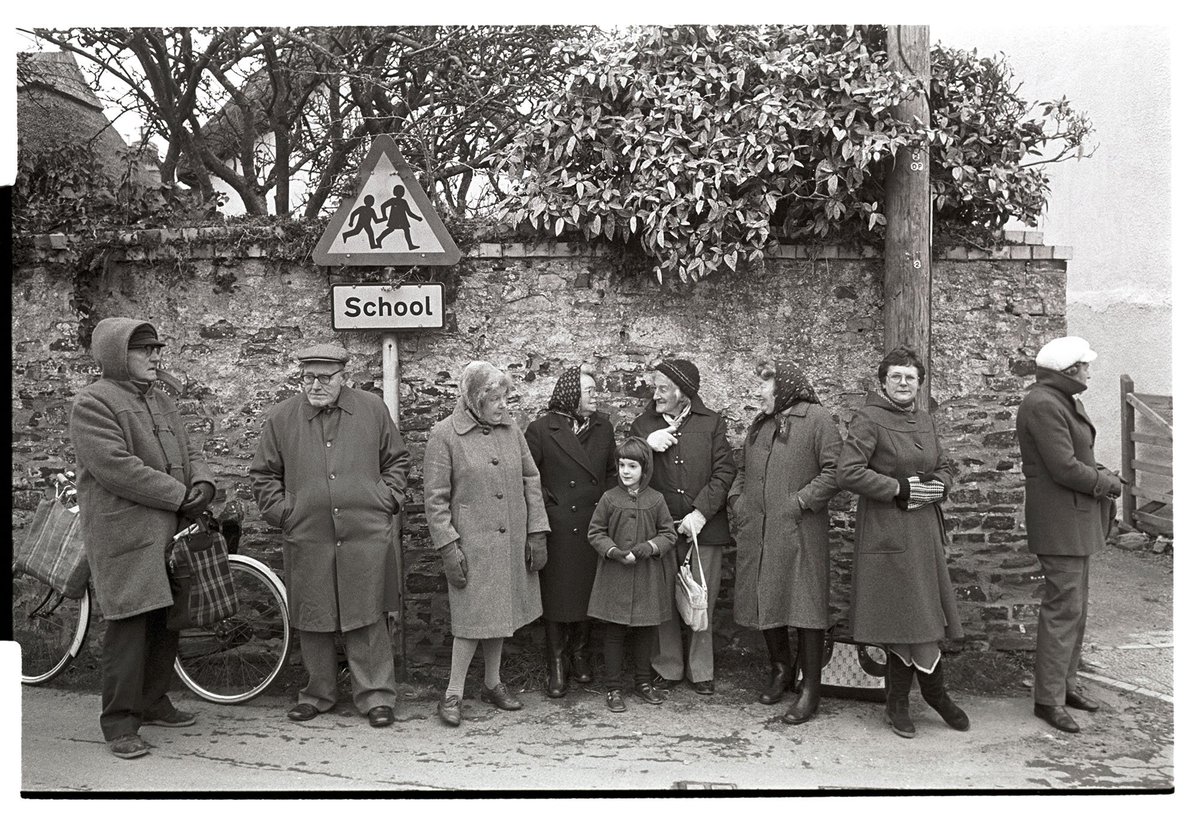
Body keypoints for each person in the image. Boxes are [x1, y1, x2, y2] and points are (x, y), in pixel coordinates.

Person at [70, 318, 217, 759]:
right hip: (125, 536)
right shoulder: (93, 403)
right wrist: (180, 496)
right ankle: (120, 724)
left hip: (168, 532)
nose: (155, 356)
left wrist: (203, 482)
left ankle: (153, 701)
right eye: (144, 349)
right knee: (130, 626)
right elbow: (117, 468)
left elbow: (191, 450)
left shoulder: (160, 398)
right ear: (117, 354)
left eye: (157, 349)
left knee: (166, 623)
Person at [250, 343, 409, 729]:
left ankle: (376, 696)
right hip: (308, 532)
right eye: (308, 377)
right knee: (313, 612)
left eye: (325, 377)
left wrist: (385, 498)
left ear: (343, 377)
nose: (315, 385)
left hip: (364, 531)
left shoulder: (372, 409)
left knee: (368, 611)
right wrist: (284, 513)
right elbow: (263, 474)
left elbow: (397, 460)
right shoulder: (282, 417)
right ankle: (317, 694)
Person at [836, 346, 969, 738]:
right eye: (895, 376)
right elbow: (848, 472)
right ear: (883, 382)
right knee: (906, 616)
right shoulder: (869, 419)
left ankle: (909, 698)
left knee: (918, 614)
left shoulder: (925, 420)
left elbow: (944, 466)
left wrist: (939, 486)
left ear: (920, 384)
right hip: (887, 531)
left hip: (923, 531)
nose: (903, 383)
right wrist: (898, 488)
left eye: (910, 377)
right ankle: (922, 696)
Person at [423, 361, 550, 726]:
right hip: (471, 546)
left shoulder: (511, 430)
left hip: (509, 541)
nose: (503, 405)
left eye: (505, 397)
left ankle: (492, 684)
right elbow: (435, 500)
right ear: (475, 400)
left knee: (500, 614)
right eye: (495, 399)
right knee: (470, 621)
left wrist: (536, 531)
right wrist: (448, 547)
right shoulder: (444, 435)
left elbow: (531, 479)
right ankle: (452, 694)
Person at [1016, 336, 1122, 734]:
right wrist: (1106, 483)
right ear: (1070, 370)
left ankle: (1066, 686)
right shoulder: (1043, 403)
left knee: (1075, 610)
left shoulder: (1061, 400)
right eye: (1086, 365)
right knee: (1063, 611)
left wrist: (1102, 474)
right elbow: (1063, 467)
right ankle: (1048, 699)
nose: (1090, 371)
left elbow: (1079, 457)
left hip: (1073, 522)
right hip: (1061, 524)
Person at [728, 360, 841, 724]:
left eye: (765, 386)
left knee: (807, 606)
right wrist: (738, 501)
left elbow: (835, 471)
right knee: (767, 595)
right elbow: (742, 470)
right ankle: (780, 670)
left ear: (784, 388)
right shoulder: (761, 424)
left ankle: (811, 689)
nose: (759, 392)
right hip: (759, 529)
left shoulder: (818, 420)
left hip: (800, 528)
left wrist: (799, 502)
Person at [631, 358, 735, 695]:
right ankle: (668, 667)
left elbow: (725, 472)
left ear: (683, 392)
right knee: (663, 600)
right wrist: (646, 446)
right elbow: (626, 471)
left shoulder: (711, 423)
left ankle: (701, 671)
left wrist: (701, 513)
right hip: (659, 530)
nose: (656, 395)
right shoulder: (643, 425)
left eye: (663, 389)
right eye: (655, 388)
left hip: (704, 530)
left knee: (702, 599)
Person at [525, 364, 617, 697]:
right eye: (589, 391)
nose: (595, 396)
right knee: (557, 598)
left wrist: (607, 507)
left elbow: (611, 473)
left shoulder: (603, 428)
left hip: (593, 525)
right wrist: (548, 504)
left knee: (587, 593)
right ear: (571, 395)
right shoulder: (541, 429)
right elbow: (527, 476)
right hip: (559, 526)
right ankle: (557, 663)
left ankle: (580, 654)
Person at [586, 437, 677, 712]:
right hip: (615, 576)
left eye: (632, 466)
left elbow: (669, 534)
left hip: (647, 576)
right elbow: (595, 532)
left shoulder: (656, 500)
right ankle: (613, 688)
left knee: (645, 632)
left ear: (645, 469)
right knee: (613, 633)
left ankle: (643, 682)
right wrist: (613, 551)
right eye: (622, 465)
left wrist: (649, 547)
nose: (626, 471)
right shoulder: (609, 498)